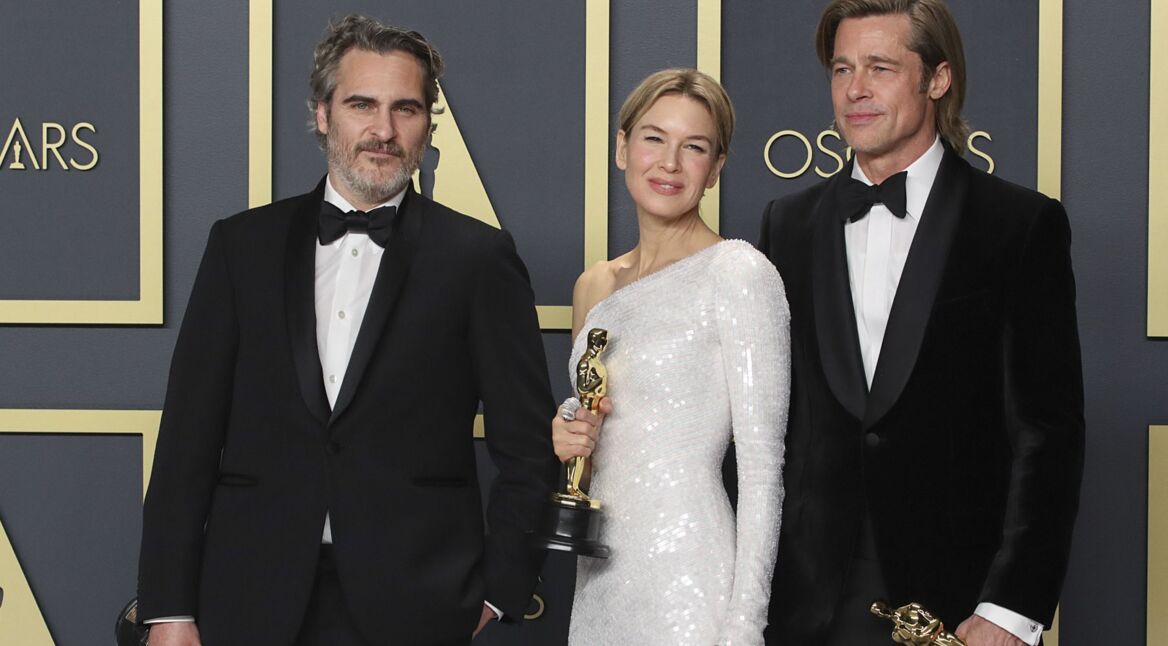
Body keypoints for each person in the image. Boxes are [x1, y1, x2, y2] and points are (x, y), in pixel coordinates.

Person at [137, 15, 557, 646]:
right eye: (362, 104)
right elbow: (186, 441)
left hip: (419, 603)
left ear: (426, 125)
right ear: (323, 114)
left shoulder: (479, 258)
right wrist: (169, 608)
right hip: (248, 598)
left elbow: (528, 448)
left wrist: (500, 591)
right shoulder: (240, 246)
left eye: (405, 109)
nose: (383, 130)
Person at [758, 1, 1085, 645]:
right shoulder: (785, 224)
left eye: (880, 67)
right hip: (805, 600)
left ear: (937, 79)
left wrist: (1010, 609)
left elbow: (1048, 434)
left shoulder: (1019, 226)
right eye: (842, 68)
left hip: (958, 600)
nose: (855, 89)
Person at [552, 68, 790, 646]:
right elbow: (611, 419)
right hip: (602, 578)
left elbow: (762, 471)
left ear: (716, 169)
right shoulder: (594, 287)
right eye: (654, 138)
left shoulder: (737, 273)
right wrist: (567, 430)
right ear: (621, 147)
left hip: (690, 580)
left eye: (695, 147)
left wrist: (744, 626)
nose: (669, 162)